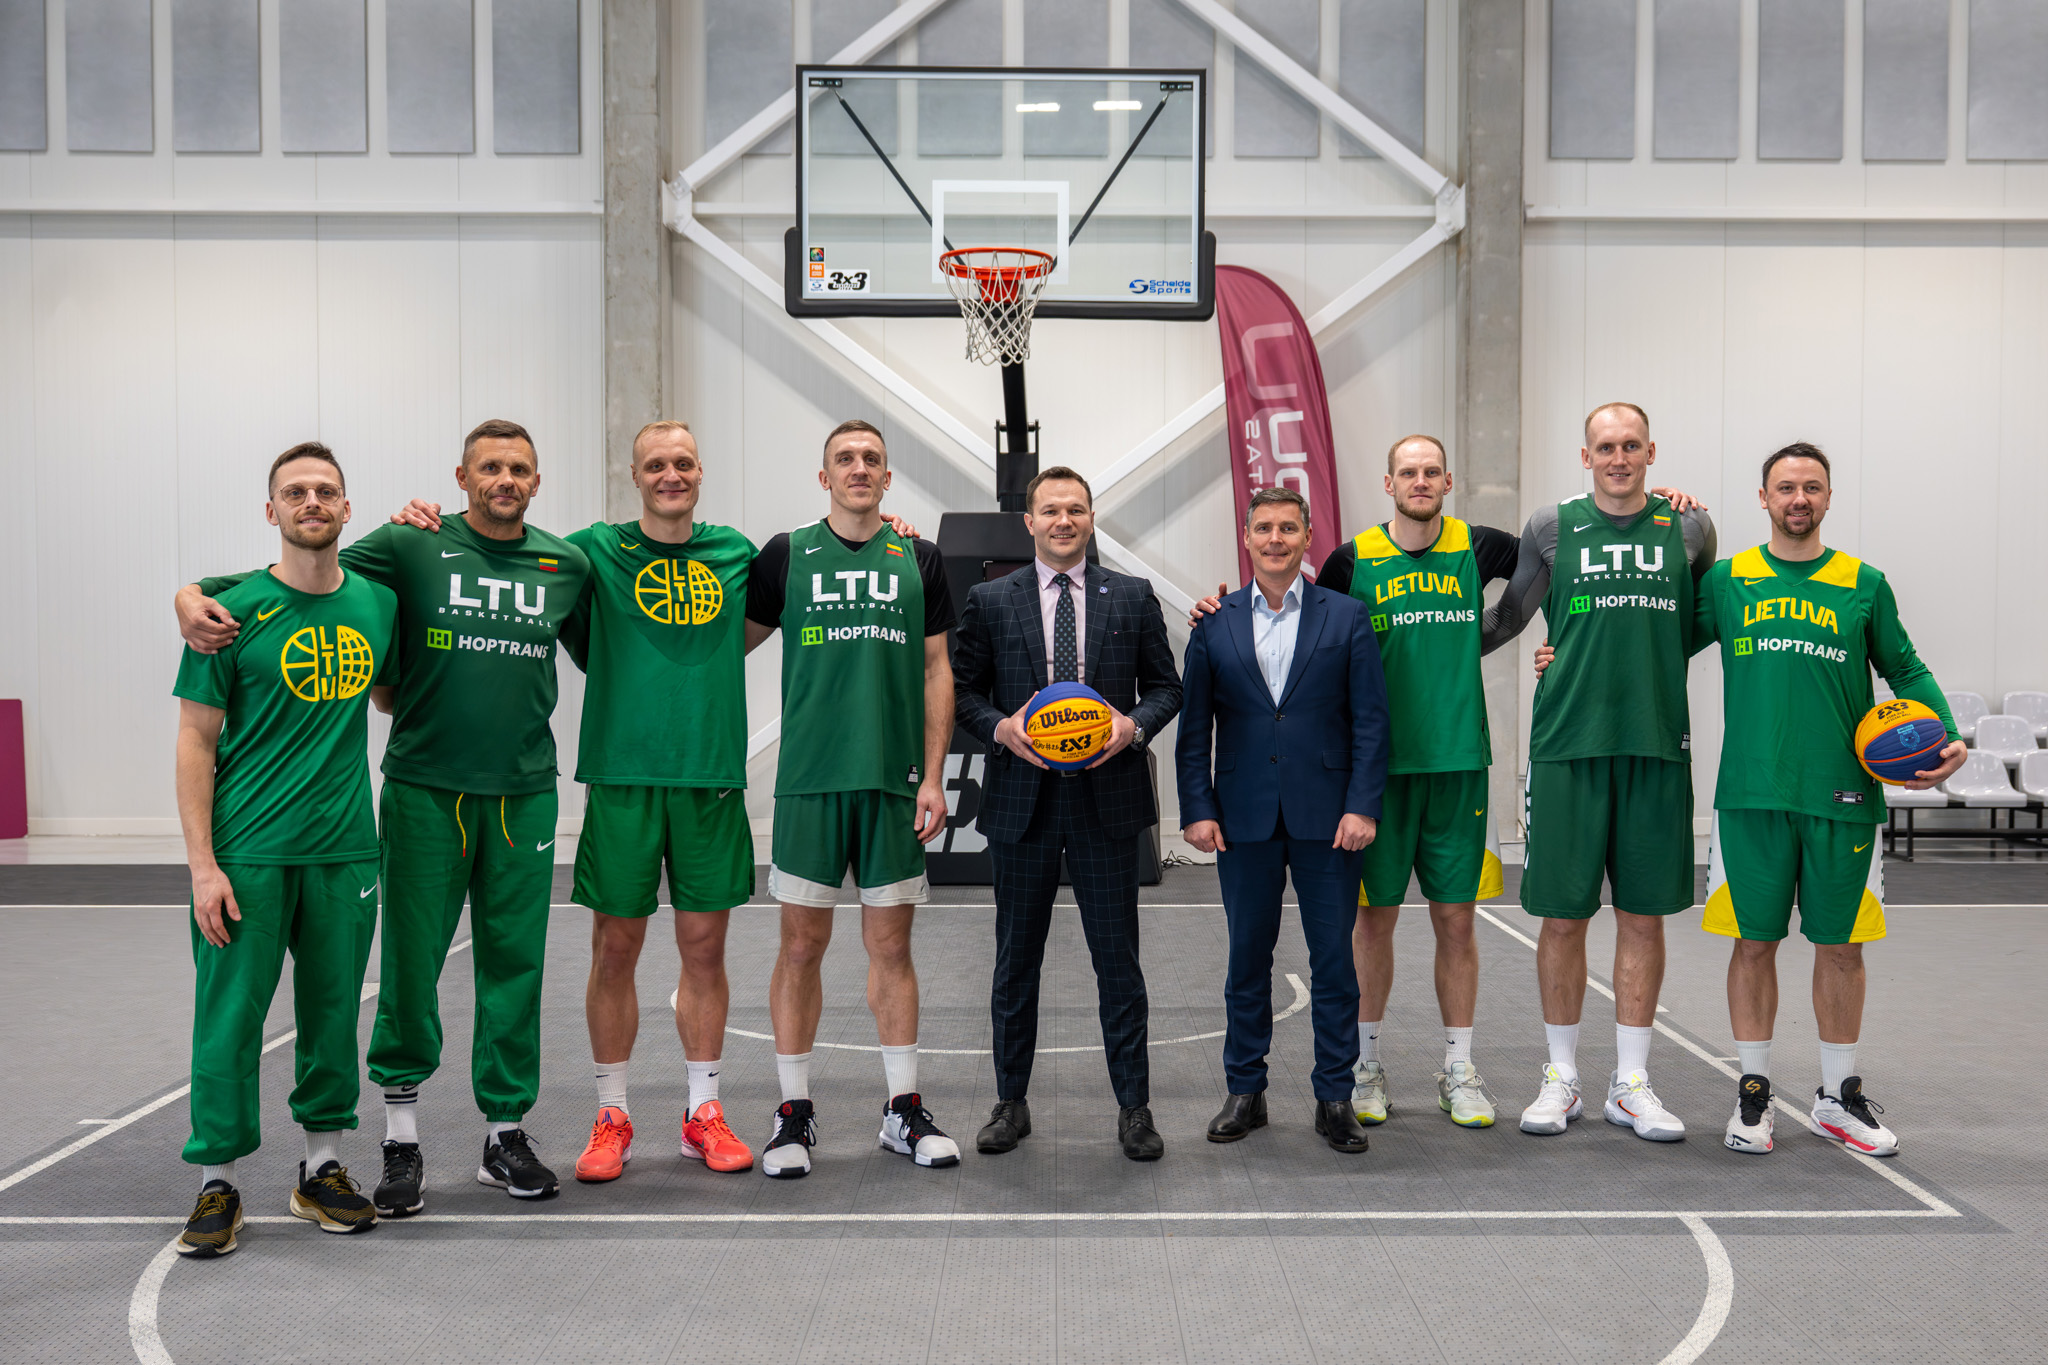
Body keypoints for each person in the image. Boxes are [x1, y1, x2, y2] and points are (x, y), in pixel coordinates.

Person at [177, 419, 592, 1209]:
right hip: (423, 788)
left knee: (516, 966)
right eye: (490, 467)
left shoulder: (566, 563)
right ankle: (400, 1141)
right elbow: (293, 571)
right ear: (462, 478)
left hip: (525, 792)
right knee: (408, 966)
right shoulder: (408, 544)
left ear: (537, 481)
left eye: (519, 468)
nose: (505, 479)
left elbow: (605, 650)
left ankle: (504, 1134)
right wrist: (188, 594)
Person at [1679, 442, 1962, 1155]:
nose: (1798, 498)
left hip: (1844, 795)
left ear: (1828, 497)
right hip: (1752, 794)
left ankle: (1837, 1096)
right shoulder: (1728, 579)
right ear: (1764, 498)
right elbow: (1657, 642)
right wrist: (1565, 653)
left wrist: (1948, 737)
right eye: (1785, 487)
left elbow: (1905, 669)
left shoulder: (1864, 583)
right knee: (1753, 944)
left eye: (1811, 487)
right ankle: (1752, 1094)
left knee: (1841, 948)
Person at [171, 443, 398, 1257]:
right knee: (229, 1018)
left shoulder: (378, 604)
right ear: (271, 511)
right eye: (295, 491)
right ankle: (217, 1181)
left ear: (346, 508)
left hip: (345, 850)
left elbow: (391, 695)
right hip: (248, 853)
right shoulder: (225, 614)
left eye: (326, 490)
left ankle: (322, 1169)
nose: (312, 501)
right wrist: (203, 866)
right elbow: (195, 741)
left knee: (334, 1013)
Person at [1484, 402, 1716, 1141]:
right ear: (1586, 457)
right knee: (1562, 916)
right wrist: (1416, 643)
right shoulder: (1551, 525)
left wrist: (1629, 648)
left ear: (1651, 452)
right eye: (1605, 447)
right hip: (1567, 743)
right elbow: (1509, 617)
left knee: (1643, 917)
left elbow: (1701, 620)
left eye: (1631, 445)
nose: (1619, 457)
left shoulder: (1690, 528)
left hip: (1655, 742)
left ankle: (1631, 1082)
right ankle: (1561, 1076)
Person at [742, 419, 958, 1178]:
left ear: (887, 478)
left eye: (871, 458)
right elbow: (724, 643)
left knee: (892, 948)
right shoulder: (785, 554)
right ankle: (792, 1113)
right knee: (800, 947)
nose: (859, 467)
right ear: (824, 475)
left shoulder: (919, 557)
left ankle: (903, 1108)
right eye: (845, 458)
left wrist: (934, 775)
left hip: (893, 782)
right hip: (810, 781)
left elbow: (937, 669)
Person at [952, 465, 1184, 1161]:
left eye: (1075, 510)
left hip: (1106, 805)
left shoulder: (1131, 595)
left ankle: (1134, 1109)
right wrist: (1001, 728)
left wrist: (1132, 726)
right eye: (1050, 510)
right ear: (1029, 522)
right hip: (1021, 806)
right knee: (1015, 964)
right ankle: (1010, 1102)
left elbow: (1166, 688)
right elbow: (962, 692)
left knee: (1118, 966)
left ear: (1090, 518)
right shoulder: (992, 599)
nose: (1063, 521)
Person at [1177, 487, 1390, 1154]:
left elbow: (1371, 721)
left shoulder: (1346, 616)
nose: (1275, 538)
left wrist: (1362, 804)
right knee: (1246, 959)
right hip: (1242, 818)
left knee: (1334, 964)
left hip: (1330, 818)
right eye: (1264, 527)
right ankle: (1245, 1089)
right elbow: (1194, 730)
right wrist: (1197, 808)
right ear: (1246, 538)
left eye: (1288, 528)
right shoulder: (1213, 623)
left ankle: (1335, 1096)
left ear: (1307, 537)